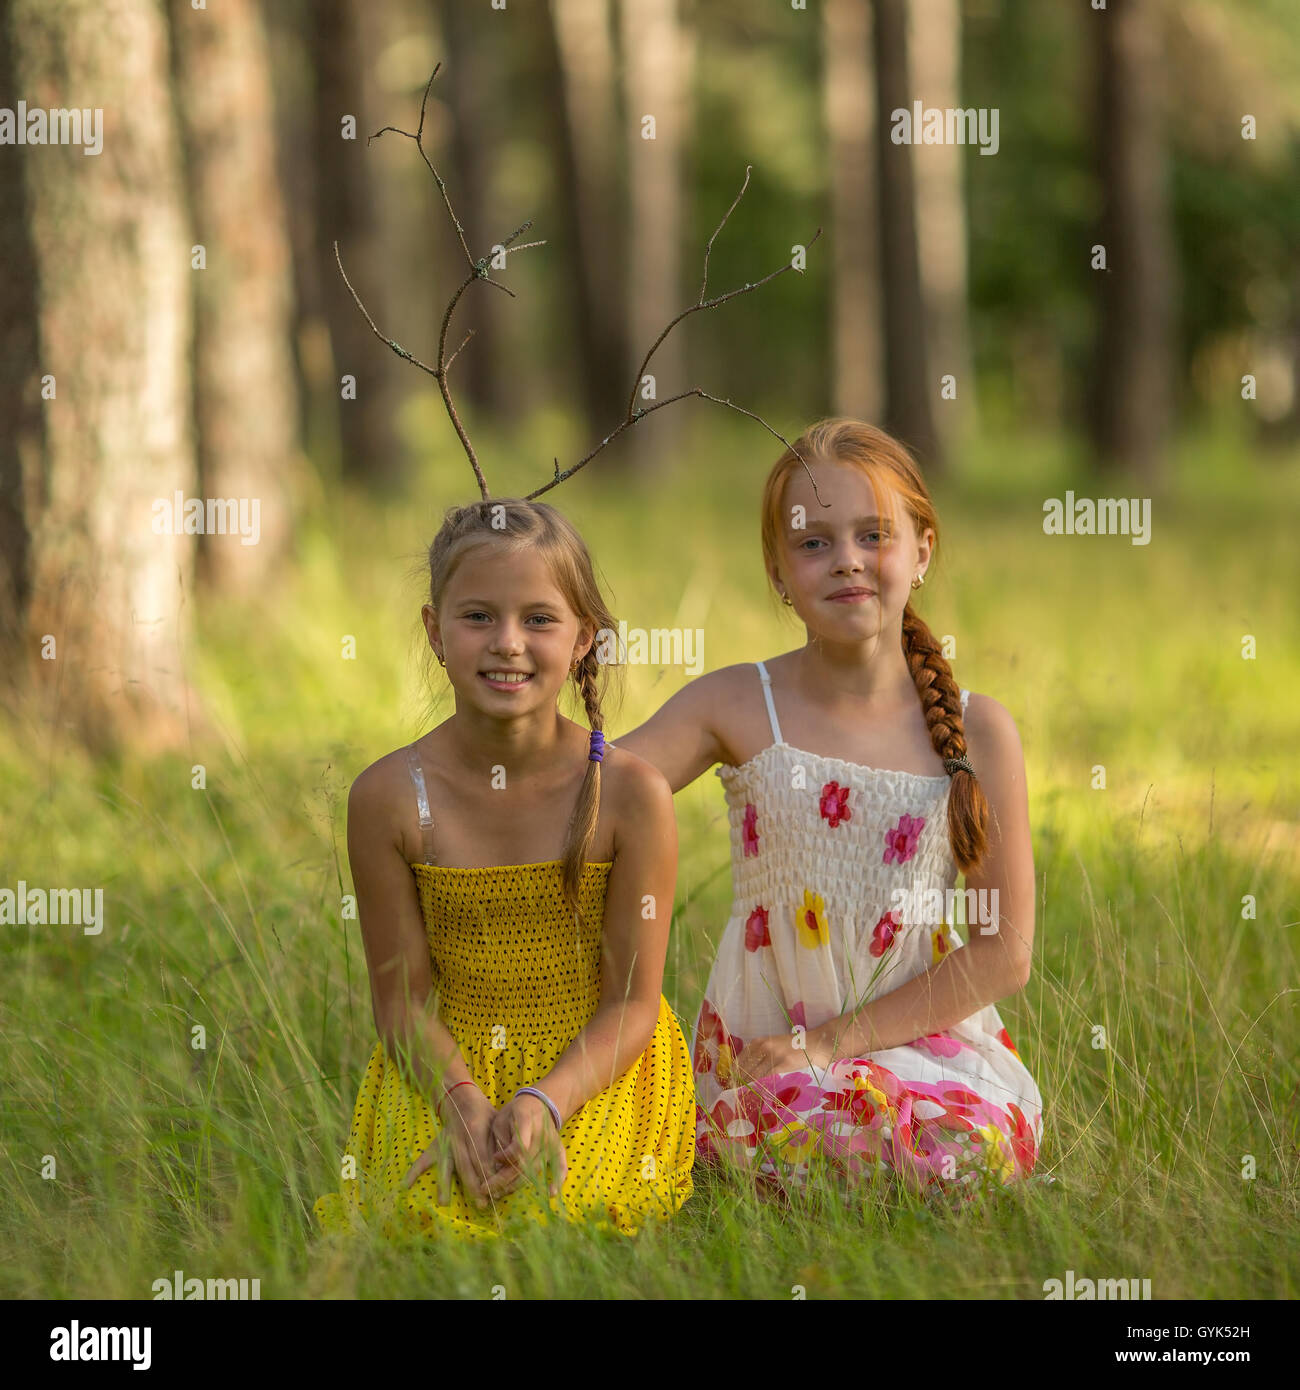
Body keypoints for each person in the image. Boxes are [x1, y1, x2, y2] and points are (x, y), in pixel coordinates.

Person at [613, 418, 1044, 1197]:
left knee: (960, 1145)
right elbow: (603, 791)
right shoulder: (740, 703)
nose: (846, 559)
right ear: (778, 573)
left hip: (926, 1047)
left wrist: (832, 1045)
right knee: (802, 1128)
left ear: (922, 550)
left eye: (873, 534)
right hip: (768, 1054)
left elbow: (1002, 953)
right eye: (813, 543)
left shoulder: (979, 728)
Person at [314, 499, 695, 1238]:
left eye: (539, 620)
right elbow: (403, 1003)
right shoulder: (389, 797)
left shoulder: (630, 794)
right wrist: (462, 1102)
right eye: (478, 617)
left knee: (556, 1218)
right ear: (435, 631)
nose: (508, 644)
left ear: (584, 637)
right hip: (443, 1064)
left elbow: (631, 1005)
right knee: (423, 1219)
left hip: (595, 1063)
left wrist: (544, 1101)